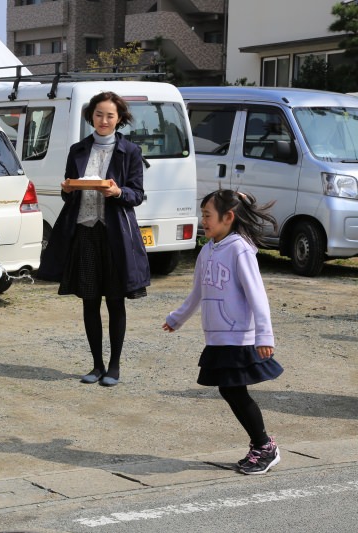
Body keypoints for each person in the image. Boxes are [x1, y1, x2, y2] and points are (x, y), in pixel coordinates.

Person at [162, 189, 284, 475]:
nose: (203, 220)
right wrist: (177, 318)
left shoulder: (240, 249)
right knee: (230, 390)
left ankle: (265, 446)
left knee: (234, 391)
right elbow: (197, 293)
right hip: (216, 336)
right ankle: (262, 445)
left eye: (207, 215)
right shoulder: (208, 249)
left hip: (239, 335)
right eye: (202, 215)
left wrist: (264, 335)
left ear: (228, 217)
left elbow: (257, 296)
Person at [38, 91, 150, 387]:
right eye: (99, 114)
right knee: (89, 300)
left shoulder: (131, 151)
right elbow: (68, 191)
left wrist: (118, 192)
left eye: (110, 115)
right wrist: (67, 188)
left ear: (120, 119)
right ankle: (97, 365)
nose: (104, 120)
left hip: (115, 234)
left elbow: (137, 194)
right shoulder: (78, 150)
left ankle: (114, 366)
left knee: (115, 301)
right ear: (91, 117)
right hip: (84, 232)